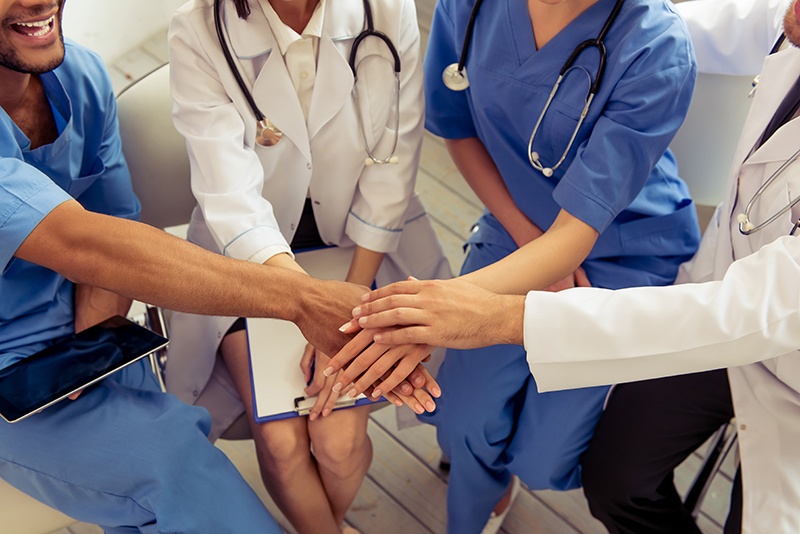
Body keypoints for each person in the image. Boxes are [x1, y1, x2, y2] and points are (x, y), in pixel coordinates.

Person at [334, 0, 800, 531]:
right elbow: (457, 127)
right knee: (463, 421)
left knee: (547, 458)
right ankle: (482, 493)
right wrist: (529, 242)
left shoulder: (655, 45)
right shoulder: (468, 7)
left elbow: (576, 236)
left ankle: (512, 466)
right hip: (518, 227)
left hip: (625, 245)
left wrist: (450, 310)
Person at [0, 0, 425, 531]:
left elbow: (113, 219)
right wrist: (304, 301)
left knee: (181, 468)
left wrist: (86, 351)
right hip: (11, 374)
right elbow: (88, 243)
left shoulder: (78, 76)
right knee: (185, 467)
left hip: (97, 338)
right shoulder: (199, 29)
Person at [166, 0, 451, 533]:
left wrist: (345, 300)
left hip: (363, 246)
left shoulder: (387, 11)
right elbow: (230, 197)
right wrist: (308, 305)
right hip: (248, 256)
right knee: (279, 441)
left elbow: (393, 170)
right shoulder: (198, 27)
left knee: (339, 442)